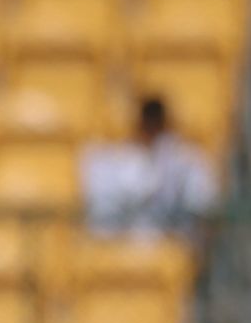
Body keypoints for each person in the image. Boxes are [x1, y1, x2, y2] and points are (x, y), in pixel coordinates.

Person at [79, 95, 218, 240]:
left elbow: (203, 205)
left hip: (174, 242)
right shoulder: (120, 158)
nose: (151, 129)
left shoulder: (188, 159)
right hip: (127, 241)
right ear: (140, 124)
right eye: (148, 124)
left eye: (156, 124)